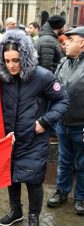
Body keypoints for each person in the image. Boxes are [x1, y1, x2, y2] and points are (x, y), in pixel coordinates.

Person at [0, 29, 70, 226]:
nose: (11, 65)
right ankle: (15, 211)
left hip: (34, 139)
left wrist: (45, 122)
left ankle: (34, 217)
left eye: (16, 60)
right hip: (10, 139)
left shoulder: (43, 76)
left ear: (26, 56)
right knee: (11, 177)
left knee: (34, 180)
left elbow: (63, 101)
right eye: (7, 60)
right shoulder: (2, 76)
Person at [46, 27, 84, 215]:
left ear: (82, 43)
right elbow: (54, 87)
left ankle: (81, 197)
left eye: (70, 39)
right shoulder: (63, 62)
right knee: (64, 160)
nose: (65, 42)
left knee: (83, 163)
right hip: (63, 124)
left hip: (81, 126)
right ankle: (62, 191)